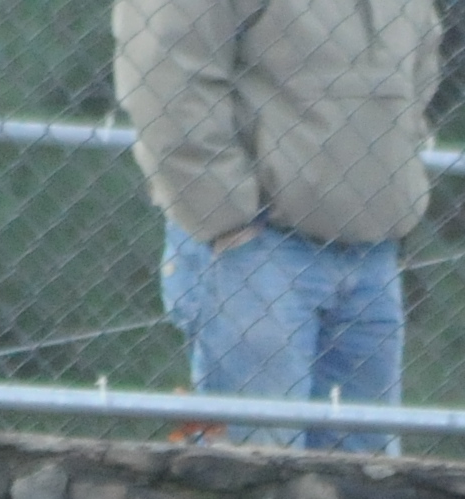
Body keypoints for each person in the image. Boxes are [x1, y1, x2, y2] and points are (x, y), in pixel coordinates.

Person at [118, 0, 443, 451]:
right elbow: (165, 80)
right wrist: (228, 218)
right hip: (255, 250)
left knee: (367, 479)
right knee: (254, 473)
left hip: (372, 255)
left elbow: (419, 67)